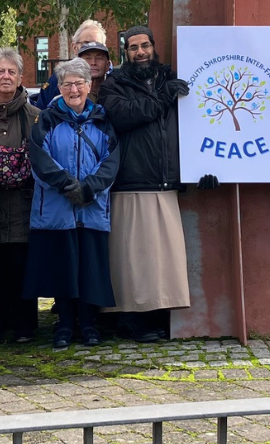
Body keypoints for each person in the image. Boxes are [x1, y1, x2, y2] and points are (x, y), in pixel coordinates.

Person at [97, 26, 190, 343]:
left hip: (165, 181)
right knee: (134, 259)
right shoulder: (114, 85)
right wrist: (164, 97)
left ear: (154, 47)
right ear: (126, 53)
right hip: (132, 181)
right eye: (133, 47)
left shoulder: (170, 77)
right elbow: (124, 116)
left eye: (145, 45)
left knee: (163, 260)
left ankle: (160, 318)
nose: (140, 52)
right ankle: (132, 321)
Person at [25, 58, 122, 350]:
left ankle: (89, 324)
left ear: (89, 85)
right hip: (57, 209)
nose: (73, 89)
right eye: (67, 84)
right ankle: (65, 324)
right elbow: (39, 157)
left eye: (79, 83)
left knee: (90, 269)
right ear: (60, 87)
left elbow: (111, 160)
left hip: (91, 208)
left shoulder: (103, 119)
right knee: (63, 269)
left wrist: (89, 188)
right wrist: (67, 185)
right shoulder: (48, 118)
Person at [0, 48, 41, 343]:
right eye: (0, 71)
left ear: (20, 78)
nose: (5, 76)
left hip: (23, 205)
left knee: (22, 264)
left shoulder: (35, 116)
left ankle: (25, 325)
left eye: (11, 72)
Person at [34, 19, 109, 109]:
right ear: (74, 47)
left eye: (98, 44)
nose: (93, 62)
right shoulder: (58, 79)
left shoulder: (115, 80)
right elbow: (41, 111)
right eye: (86, 43)